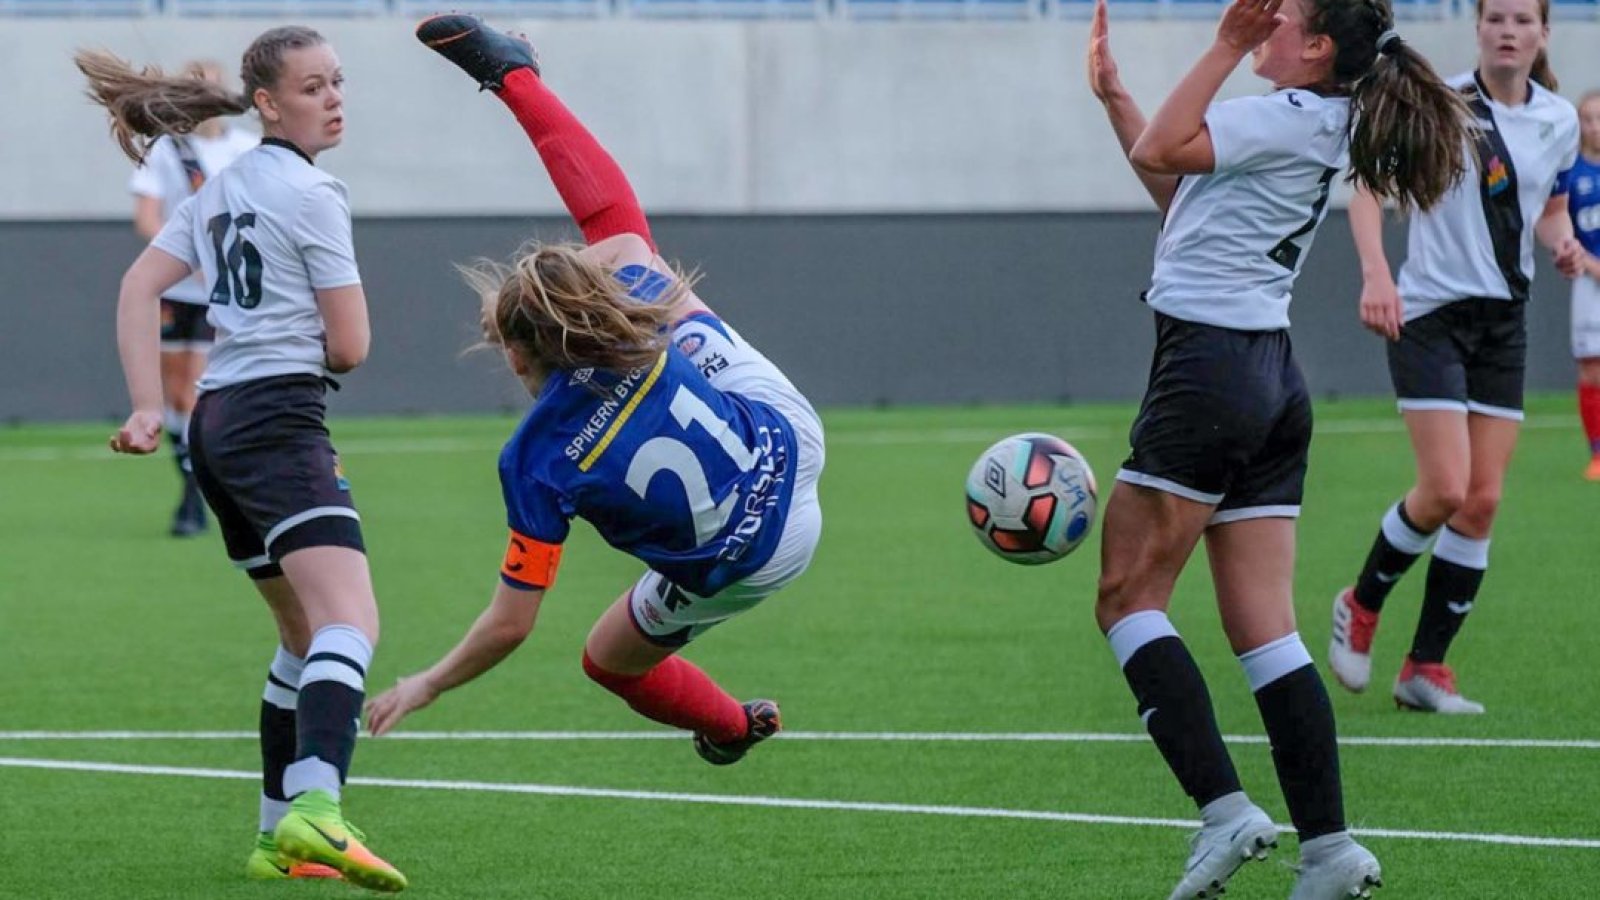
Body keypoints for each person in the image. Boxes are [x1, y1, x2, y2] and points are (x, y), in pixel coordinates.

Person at [365, 15, 825, 774]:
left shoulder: (534, 457)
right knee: (628, 249)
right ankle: (516, 78)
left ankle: (731, 726)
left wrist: (428, 682)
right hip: (791, 437)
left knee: (609, 661)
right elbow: (607, 232)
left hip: (762, 552)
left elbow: (511, 624)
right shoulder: (626, 325)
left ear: (517, 356)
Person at [1087, 0, 1471, 894]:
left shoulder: (1284, 113)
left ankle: (1225, 813)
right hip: (1269, 381)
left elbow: (1162, 153)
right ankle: (1330, 849)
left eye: (1282, 18)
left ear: (1319, 49)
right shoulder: (1322, 121)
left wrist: (1221, 46)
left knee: (1125, 596)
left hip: (1208, 374)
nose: (1264, 22)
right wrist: (1116, 97)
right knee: (1265, 633)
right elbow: (1179, 193)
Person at [77, 29, 407, 892]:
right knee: (351, 622)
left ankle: (272, 840)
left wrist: (152, 406)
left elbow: (137, 285)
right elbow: (352, 346)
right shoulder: (314, 191)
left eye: (338, 82)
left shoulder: (223, 187)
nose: (332, 98)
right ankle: (318, 807)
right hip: (277, 422)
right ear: (266, 103)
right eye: (312, 86)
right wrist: (318, 343)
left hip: (217, 425)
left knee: (300, 634)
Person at [1328, 0, 1583, 715]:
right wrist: (1378, 274)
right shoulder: (1436, 102)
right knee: (1443, 487)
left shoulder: (1559, 120)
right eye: (1495, 16)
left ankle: (1425, 669)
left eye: (1521, 19)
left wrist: (1560, 242)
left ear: (1542, 34)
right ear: (1477, 28)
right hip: (1431, 314)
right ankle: (1360, 601)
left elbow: (1549, 203)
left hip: (1504, 323)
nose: (1508, 29)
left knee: (1482, 501)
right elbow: (1368, 188)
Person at [126, 59, 258, 537]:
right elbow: (147, 216)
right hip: (175, 286)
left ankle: (199, 491)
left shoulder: (248, 149)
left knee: (200, 386)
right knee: (176, 388)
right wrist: (186, 254)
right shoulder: (168, 150)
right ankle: (190, 485)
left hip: (221, 292)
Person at [1569, 90, 1600, 479]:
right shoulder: (1573, 175)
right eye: (1587, 119)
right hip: (1590, 283)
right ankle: (1597, 452)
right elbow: (1560, 226)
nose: (1595, 126)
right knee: (1592, 368)